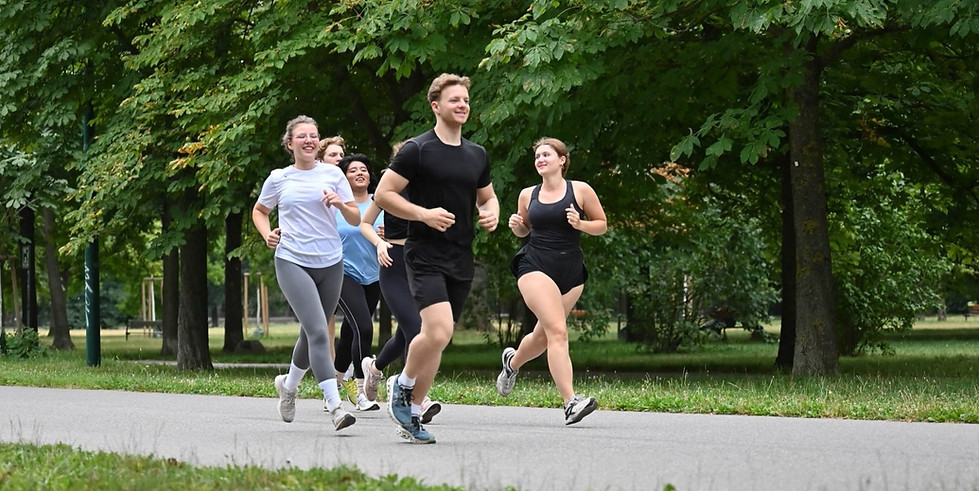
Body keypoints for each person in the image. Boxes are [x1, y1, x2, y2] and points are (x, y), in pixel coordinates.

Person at [375, 73, 499, 443]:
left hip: (461, 254)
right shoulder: (417, 149)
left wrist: (490, 211)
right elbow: (384, 194)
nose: (462, 105)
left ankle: (411, 416)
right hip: (424, 252)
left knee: (437, 338)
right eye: (454, 100)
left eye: (465, 100)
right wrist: (423, 214)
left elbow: (486, 196)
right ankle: (402, 384)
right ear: (435, 106)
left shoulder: (477, 154)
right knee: (440, 328)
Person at [252, 115, 360, 431]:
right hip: (292, 260)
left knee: (308, 331)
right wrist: (266, 234)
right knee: (317, 331)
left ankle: (288, 386)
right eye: (302, 136)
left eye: (314, 135)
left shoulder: (334, 174)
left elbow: (354, 218)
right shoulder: (279, 178)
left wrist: (340, 203)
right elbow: (260, 211)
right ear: (290, 144)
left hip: (330, 262)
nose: (309, 140)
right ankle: (335, 405)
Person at [495, 137, 607, 425]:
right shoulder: (527, 194)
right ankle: (571, 402)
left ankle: (512, 363)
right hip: (535, 264)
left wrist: (580, 224)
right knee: (558, 330)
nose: (540, 159)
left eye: (546, 154)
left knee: (543, 337)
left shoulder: (580, 190)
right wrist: (519, 227)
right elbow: (524, 231)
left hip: (570, 271)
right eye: (537, 156)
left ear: (562, 160)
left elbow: (601, 225)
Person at [359, 142, 442, 424]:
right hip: (393, 262)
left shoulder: (431, 188)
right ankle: (418, 394)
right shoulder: (387, 188)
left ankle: (375, 367)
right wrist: (379, 243)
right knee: (416, 328)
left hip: (423, 263)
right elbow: (365, 224)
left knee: (409, 333)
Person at [332, 153, 384, 412]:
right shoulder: (337, 205)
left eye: (364, 169)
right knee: (364, 326)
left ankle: (334, 383)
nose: (360, 173)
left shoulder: (380, 203)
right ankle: (361, 387)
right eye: (353, 170)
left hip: (373, 274)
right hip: (342, 272)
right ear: (344, 177)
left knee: (349, 332)